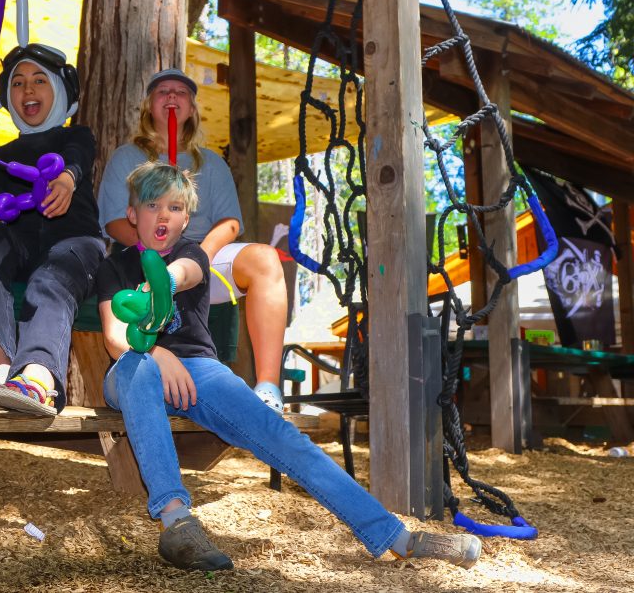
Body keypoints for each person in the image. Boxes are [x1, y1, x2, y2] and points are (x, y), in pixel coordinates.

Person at [96, 161, 482, 571]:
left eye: (174, 207)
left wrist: (165, 281)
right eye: (152, 205)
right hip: (135, 368)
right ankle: (176, 521)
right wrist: (158, 354)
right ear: (133, 215)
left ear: (187, 218)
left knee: (278, 433)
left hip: (200, 373)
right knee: (139, 368)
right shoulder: (115, 266)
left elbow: (187, 273)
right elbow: (115, 336)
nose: (163, 215)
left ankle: (394, 535)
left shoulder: (192, 254)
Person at [97, 68, 288, 412]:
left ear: (193, 107)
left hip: (204, 254)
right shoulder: (126, 158)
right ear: (148, 106)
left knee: (265, 259)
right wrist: (156, 251)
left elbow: (231, 223)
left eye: (181, 92)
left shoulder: (211, 163)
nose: (172, 97)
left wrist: (195, 256)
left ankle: (268, 387)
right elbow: (113, 222)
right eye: (162, 92)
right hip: (142, 259)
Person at [0, 44, 104, 415]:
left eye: (39, 81)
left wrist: (66, 178)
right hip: (20, 252)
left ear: (61, 90)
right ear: (7, 96)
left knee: (50, 278)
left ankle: (38, 376)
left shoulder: (76, 136)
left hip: (75, 249)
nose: (28, 90)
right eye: (17, 83)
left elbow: (78, 159)